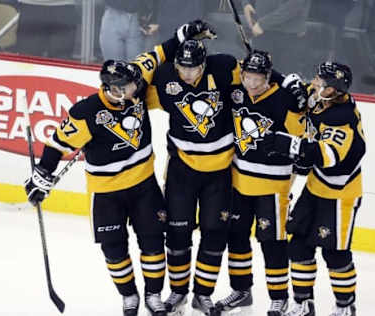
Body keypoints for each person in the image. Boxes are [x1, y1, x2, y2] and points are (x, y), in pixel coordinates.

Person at [23, 21, 216, 316]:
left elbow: (159, 53)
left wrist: (184, 33)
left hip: (143, 186)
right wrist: (42, 177)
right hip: (106, 193)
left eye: (135, 83)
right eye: (128, 86)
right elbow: (57, 144)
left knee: (152, 242)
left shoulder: (135, 79)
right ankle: (129, 296)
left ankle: (153, 296)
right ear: (112, 89)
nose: (137, 87)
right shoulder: (86, 112)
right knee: (114, 250)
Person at [264, 62, 365, 316]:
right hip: (315, 187)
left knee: (335, 254)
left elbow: (328, 155)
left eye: (322, 82)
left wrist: (289, 144)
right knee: (298, 245)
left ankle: (345, 306)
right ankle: (303, 304)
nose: (316, 83)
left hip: (339, 195)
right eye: (318, 78)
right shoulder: (323, 96)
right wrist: (285, 80)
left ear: (334, 90)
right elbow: (297, 90)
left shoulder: (343, 118)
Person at [145, 38, 235, 316]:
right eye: (182, 68)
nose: (187, 74)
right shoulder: (164, 77)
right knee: (177, 233)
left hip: (220, 172)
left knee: (214, 232)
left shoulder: (224, 69)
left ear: (204, 64)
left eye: (193, 69)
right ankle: (178, 291)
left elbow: (260, 76)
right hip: (182, 170)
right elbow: (133, 90)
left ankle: (203, 294)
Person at [214, 50, 306, 316]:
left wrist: (296, 94)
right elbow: (224, 64)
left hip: (273, 187)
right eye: (247, 77)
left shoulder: (284, 99)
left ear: (268, 77)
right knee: (236, 237)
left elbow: (300, 135)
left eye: (258, 79)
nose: (251, 84)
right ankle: (241, 290)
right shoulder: (236, 92)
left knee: (272, 242)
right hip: (239, 183)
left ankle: (279, 297)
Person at [241, 0, 312, 75]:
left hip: (288, 36)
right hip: (261, 32)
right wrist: (246, 3)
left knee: (284, 79)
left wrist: (263, 24)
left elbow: (295, 5)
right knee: (257, 77)